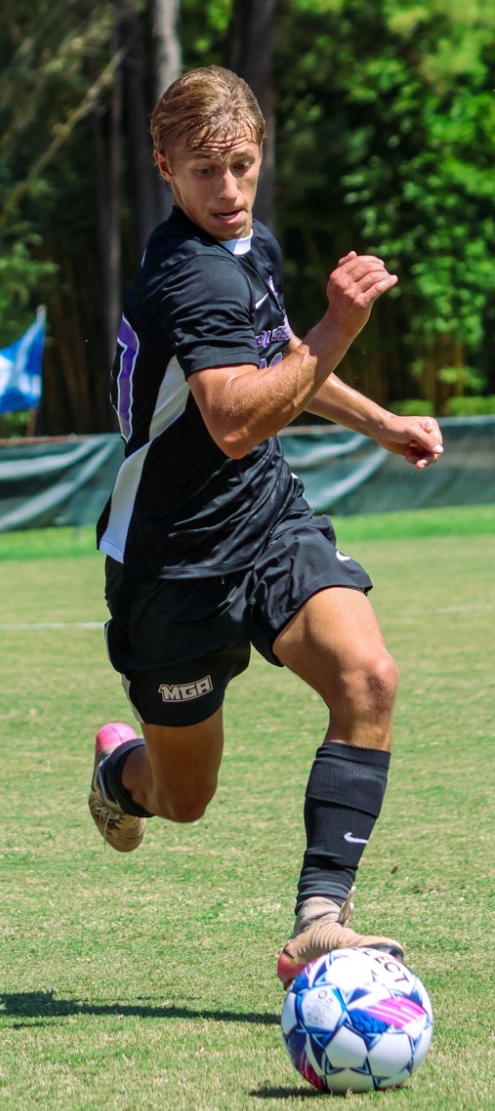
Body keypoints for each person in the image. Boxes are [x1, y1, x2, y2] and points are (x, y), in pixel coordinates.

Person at [88, 67, 443, 986]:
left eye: (243, 166)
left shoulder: (252, 246)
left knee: (367, 676)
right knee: (183, 798)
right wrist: (338, 325)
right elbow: (236, 415)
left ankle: (321, 918)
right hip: (172, 562)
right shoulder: (187, 272)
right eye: (205, 172)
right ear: (164, 167)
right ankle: (120, 774)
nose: (230, 192)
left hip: (265, 516)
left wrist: (382, 422)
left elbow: (283, 365)